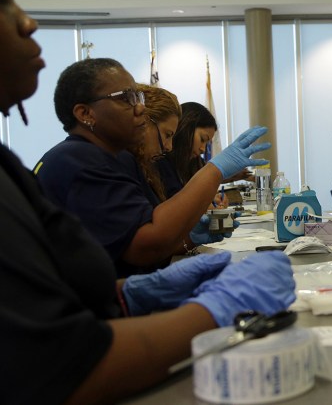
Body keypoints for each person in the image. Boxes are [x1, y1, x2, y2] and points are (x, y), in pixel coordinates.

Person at [0, 0, 296, 404]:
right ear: (85, 114)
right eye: (3, 0)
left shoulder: (19, 165)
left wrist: (128, 295)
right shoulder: (78, 161)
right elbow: (56, 366)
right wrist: (216, 309)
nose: (28, 21)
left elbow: (58, 293)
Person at [34, 58, 269, 276]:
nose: (140, 109)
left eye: (139, 98)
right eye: (126, 98)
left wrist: (189, 238)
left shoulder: (112, 158)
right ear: (86, 113)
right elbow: (145, 247)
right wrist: (214, 170)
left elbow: (137, 238)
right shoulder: (79, 161)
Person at [122, 83, 182, 204]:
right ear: (146, 120)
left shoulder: (146, 166)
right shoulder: (122, 163)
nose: (169, 147)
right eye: (167, 135)